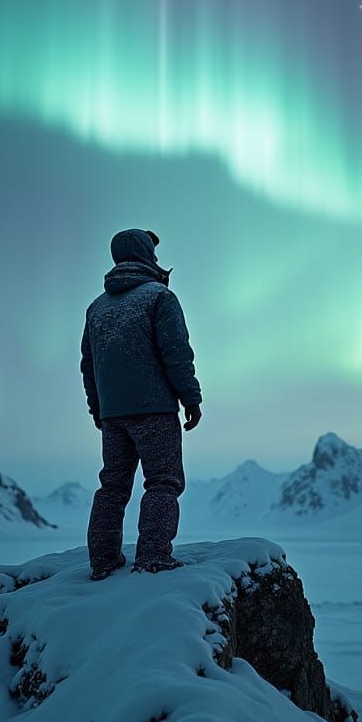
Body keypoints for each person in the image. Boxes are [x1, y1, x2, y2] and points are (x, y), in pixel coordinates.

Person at [80, 228, 202, 580]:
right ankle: (153, 557)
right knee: (163, 482)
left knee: (113, 486)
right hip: (155, 409)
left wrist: (98, 409)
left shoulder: (97, 309)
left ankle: (103, 562)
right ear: (146, 255)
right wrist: (191, 397)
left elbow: (89, 366)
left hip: (113, 415)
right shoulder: (159, 297)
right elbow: (176, 354)